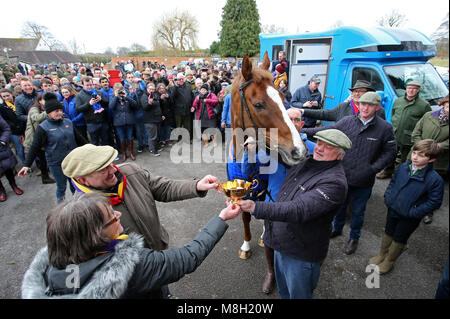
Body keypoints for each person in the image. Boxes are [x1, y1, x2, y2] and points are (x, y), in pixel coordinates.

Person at [21, 192, 241, 299]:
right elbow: (188, 257)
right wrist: (221, 219)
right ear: (96, 236)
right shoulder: (133, 267)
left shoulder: (53, 268)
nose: (118, 215)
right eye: (112, 218)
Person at [237, 129, 351, 299]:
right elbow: (278, 155)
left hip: (300, 254)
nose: (319, 148)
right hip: (281, 242)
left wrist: (255, 207)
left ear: (339, 155)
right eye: (319, 143)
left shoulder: (334, 183)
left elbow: (298, 209)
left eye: (328, 147)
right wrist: (255, 144)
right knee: (284, 292)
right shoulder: (308, 161)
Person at [302, 92, 397, 255]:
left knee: (358, 211)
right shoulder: (347, 122)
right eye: (362, 104)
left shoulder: (385, 128)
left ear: (377, 107)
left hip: (364, 181)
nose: (365, 108)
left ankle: (354, 237)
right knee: (340, 207)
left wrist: (373, 168)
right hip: (343, 177)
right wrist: (300, 130)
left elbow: (390, 153)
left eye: (369, 105)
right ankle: (337, 229)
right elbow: (326, 130)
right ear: (358, 105)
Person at [241, 108, 315, 294]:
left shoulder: (313, 149)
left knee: (298, 245)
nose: (291, 123)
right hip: (273, 204)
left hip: (300, 206)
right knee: (270, 239)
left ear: (302, 124)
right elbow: (248, 171)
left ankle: (295, 275)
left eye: (296, 119)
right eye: (287, 119)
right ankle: (270, 272)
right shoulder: (269, 148)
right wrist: (249, 151)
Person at [369, 139, 444, 274]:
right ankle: (382, 254)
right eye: (414, 153)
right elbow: (393, 182)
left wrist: (414, 213)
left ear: (431, 160)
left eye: (421, 155)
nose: (415, 157)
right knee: (388, 231)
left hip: (409, 217)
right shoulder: (403, 167)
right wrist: (388, 197)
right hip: (393, 208)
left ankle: (389, 261)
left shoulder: (435, 180)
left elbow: (435, 202)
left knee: (399, 238)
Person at [18, 93, 87, 203]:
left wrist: (92, 150)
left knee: (76, 185)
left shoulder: (68, 122)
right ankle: (61, 207)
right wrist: (26, 165)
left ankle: (78, 203)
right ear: (48, 113)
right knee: (61, 187)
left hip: (73, 161)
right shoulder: (43, 128)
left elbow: (80, 140)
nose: (59, 113)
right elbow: (35, 147)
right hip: (56, 163)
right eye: (56, 111)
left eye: (60, 110)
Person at [377, 80, 431, 179]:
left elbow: (426, 122)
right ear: (406, 89)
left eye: (414, 89)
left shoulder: (424, 105)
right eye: (409, 88)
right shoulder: (398, 101)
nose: (411, 90)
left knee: (405, 158)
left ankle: (398, 175)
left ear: (418, 90)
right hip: (395, 133)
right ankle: (387, 171)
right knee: (390, 154)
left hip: (409, 137)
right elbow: (393, 114)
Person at [410, 96, 449, 224]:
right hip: (418, 154)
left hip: (438, 160)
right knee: (413, 179)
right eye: (448, 103)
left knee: (431, 185)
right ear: (444, 103)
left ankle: (428, 211)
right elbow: (416, 132)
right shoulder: (428, 115)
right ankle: (410, 202)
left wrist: (436, 148)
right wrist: (420, 148)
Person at [301, 80, 385, 122]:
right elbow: (323, 114)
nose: (356, 94)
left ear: (368, 93)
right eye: (355, 91)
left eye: (360, 91)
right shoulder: (343, 107)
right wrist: (302, 111)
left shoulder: (379, 111)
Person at [75, 76, 110, 146]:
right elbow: (78, 108)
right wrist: (89, 104)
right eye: (87, 85)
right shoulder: (79, 95)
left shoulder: (98, 92)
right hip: (91, 123)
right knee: (95, 142)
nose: (89, 87)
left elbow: (106, 103)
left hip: (103, 121)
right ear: (83, 85)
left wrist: (101, 100)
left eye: (91, 85)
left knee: (105, 141)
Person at [109, 83, 138, 161]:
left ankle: (131, 153)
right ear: (114, 91)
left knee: (130, 137)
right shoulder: (113, 97)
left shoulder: (127, 96)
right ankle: (124, 153)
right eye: (118, 90)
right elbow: (111, 107)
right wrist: (116, 96)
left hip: (129, 120)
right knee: (122, 138)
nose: (120, 92)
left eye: (121, 90)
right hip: (119, 121)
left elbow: (135, 105)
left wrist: (127, 96)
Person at [0, 115, 24, 202]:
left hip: (1, 148)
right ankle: (1, 191)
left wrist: (2, 141)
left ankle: (14, 186)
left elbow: (6, 128)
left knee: (8, 168)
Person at [0, 88, 26, 164]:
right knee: (20, 148)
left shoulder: (18, 102)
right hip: (14, 131)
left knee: (29, 146)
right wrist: (16, 127)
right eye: (4, 97)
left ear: (11, 94)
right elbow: (5, 121)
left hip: (24, 127)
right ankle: (25, 163)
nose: (6, 98)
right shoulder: (2, 107)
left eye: (7, 95)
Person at [140, 82, 163, 156]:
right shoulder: (144, 96)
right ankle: (153, 150)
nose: (152, 90)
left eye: (153, 89)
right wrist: (149, 103)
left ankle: (156, 147)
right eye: (150, 89)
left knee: (157, 135)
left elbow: (158, 106)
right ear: (147, 89)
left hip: (157, 118)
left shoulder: (155, 95)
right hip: (149, 119)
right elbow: (145, 107)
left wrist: (161, 115)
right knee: (152, 136)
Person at [171, 73, 194, 140]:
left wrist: (192, 106)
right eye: (179, 79)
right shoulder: (174, 87)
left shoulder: (188, 86)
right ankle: (179, 139)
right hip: (178, 110)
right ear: (177, 80)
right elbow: (172, 97)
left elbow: (191, 96)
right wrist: (176, 86)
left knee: (187, 126)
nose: (181, 80)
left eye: (182, 79)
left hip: (187, 109)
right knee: (179, 125)